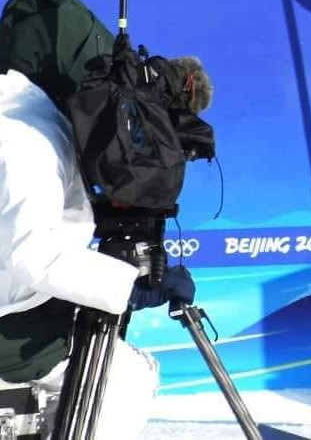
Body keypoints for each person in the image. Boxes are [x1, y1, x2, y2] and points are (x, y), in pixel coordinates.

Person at [0, 68, 196, 438]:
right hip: (10, 322)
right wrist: (129, 287)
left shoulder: (26, 115)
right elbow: (31, 252)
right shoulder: (30, 140)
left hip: (15, 301)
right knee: (126, 378)